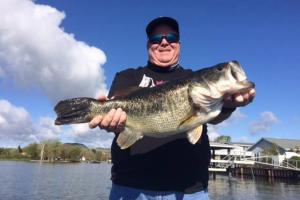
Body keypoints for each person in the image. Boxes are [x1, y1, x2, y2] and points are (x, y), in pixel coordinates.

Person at [89, 17, 255, 200]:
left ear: (179, 45)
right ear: (148, 45)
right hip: (130, 188)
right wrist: (109, 119)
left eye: (171, 37)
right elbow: (117, 117)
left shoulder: (191, 76)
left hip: (191, 190)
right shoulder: (127, 77)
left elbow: (214, 116)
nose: (164, 41)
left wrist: (229, 105)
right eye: (156, 38)